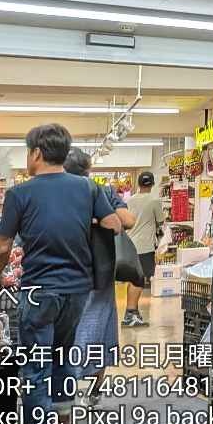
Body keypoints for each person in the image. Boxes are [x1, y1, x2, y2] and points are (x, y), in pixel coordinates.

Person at [0, 124, 123, 424]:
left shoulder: (20, 194)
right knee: (62, 358)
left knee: (34, 368)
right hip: (78, 291)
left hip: (39, 291)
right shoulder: (89, 188)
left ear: (36, 153)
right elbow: (115, 224)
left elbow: (1, 249)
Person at [64, 148, 135, 405]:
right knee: (100, 328)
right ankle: (94, 390)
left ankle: (65, 388)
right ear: (88, 170)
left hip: (66, 272)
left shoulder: (58, 194)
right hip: (100, 272)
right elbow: (128, 220)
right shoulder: (102, 191)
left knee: (66, 332)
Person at [122, 170, 164, 327]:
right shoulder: (154, 200)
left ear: (138, 184)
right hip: (144, 246)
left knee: (134, 278)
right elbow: (160, 221)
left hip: (129, 245)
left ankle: (133, 312)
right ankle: (130, 313)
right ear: (152, 184)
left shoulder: (130, 200)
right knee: (139, 280)